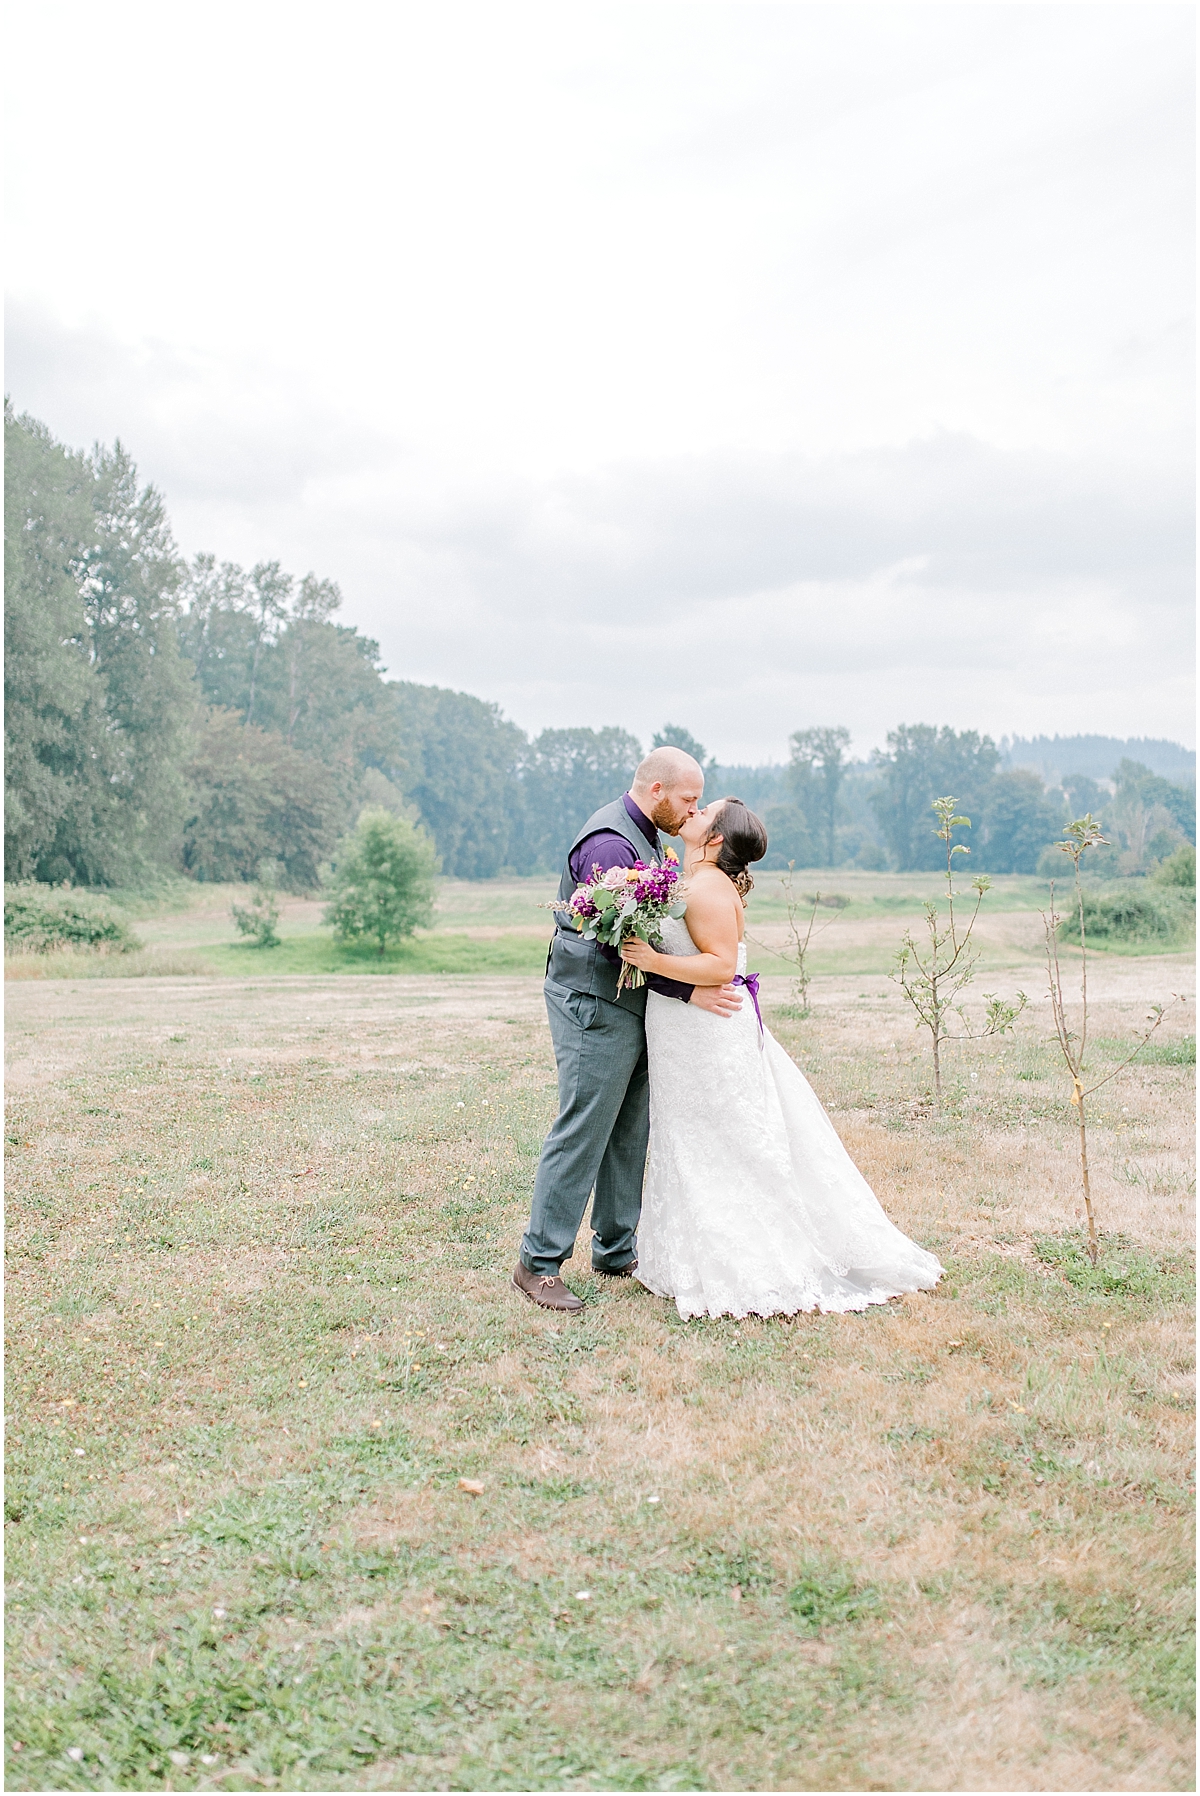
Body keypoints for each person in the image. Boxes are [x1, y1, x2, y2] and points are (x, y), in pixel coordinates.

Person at [619, 797, 944, 1320]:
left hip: (706, 1030)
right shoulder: (693, 879)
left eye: (705, 812)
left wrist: (653, 959)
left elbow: (722, 966)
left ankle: (747, 1258)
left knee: (721, 1138)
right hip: (690, 1028)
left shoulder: (703, 887)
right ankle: (689, 1254)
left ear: (716, 839)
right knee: (697, 1135)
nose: (695, 813)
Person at [512, 747, 745, 1312]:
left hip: (631, 1003)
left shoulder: (645, 838)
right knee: (585, 1127)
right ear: (658, 790)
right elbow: (619, 943)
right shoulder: (610, 844)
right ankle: (538, 1263)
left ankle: (616, 1250)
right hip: (593, 1002)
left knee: (628, 1128)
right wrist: (689, 989)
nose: (693, 811)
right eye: (689, 799)